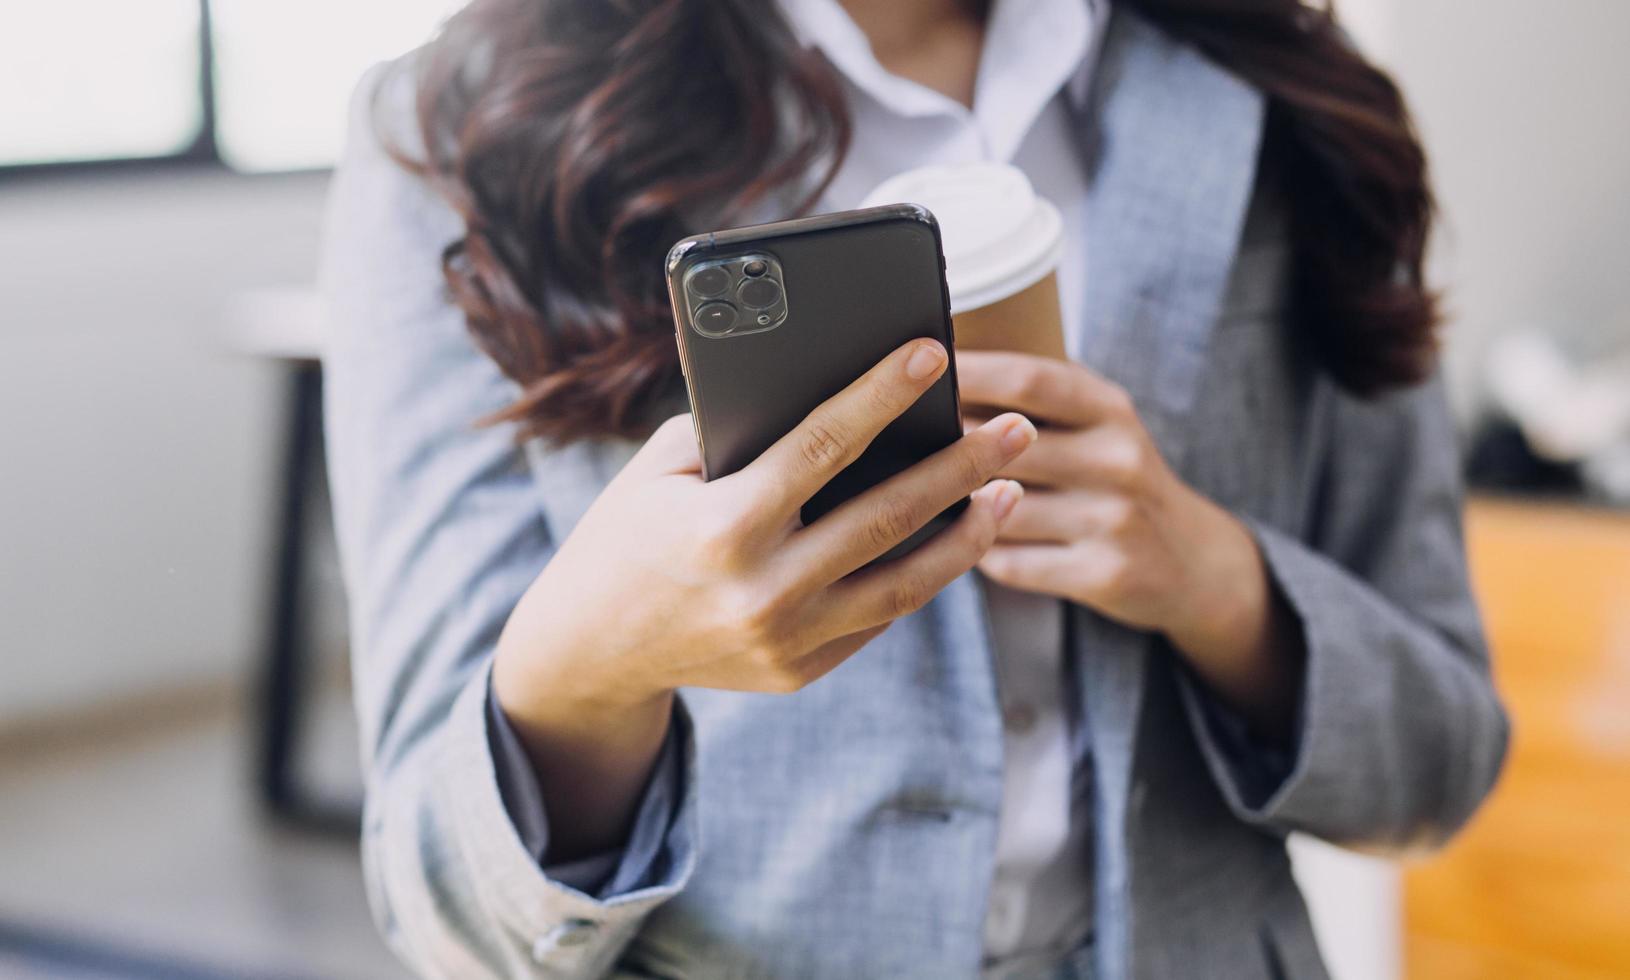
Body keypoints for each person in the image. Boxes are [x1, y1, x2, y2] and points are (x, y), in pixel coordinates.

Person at [321, 0, 1509, 977]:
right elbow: (442, 912)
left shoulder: (1289, 100)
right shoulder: (453, 130)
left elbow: (1443, 761)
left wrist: (1216, 581)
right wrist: (592, 673)